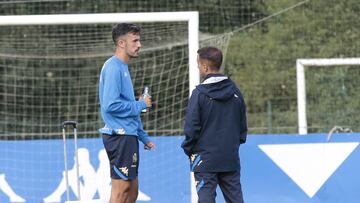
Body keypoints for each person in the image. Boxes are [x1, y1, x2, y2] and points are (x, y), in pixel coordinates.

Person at [181, 47, 247, 203]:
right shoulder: (236, 91)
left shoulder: (199, 94)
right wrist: (231, 146)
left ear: (205, 67)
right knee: (236, 199)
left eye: (198, 64)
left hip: (204, 158)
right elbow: (242, 126)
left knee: (206, 199)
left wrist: (188, 148)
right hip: (229, 157)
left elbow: (191, 127)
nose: (197, 67)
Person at [98, 23, 155, 203]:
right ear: (121, 43)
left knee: (132, 191)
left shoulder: (123, 67)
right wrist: (140, 105)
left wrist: (143, 136)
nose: (139, 44)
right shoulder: (113, 67)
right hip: (119, 135)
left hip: (128, 135)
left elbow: (127, 107)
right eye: (135, 40)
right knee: (121, 191)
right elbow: (111, 105)